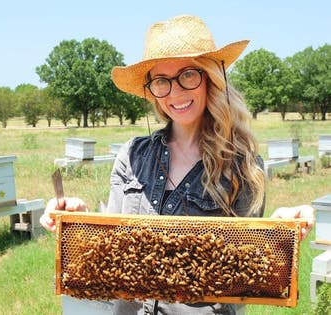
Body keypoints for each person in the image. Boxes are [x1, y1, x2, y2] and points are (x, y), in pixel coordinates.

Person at [40, 15, 314, 315]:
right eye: (161, 81)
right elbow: (113, 243)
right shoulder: (132, 156)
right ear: (152, 90)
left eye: (188, 75)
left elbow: (242, 268)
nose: (175, 92)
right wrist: (79, 223)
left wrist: (278, 231)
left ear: (210, 77)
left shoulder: (243, 167)